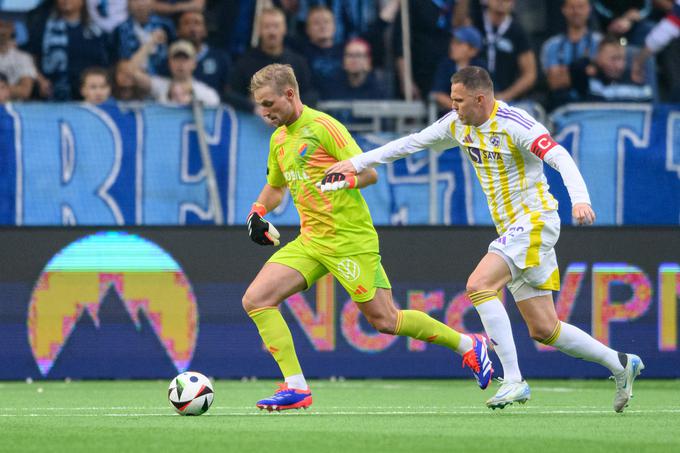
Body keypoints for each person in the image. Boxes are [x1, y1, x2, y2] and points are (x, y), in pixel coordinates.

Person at [323, 66, 644, 412]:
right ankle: (621, 363)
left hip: (536, 220)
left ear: (480, 98)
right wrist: (355, 163)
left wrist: (581, 199)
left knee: (479, 285)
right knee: (544, 328)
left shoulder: (515, 124)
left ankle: (514, 380)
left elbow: (559, 156)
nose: (453, 106)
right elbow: (412, 143)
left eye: (459, 100)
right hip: (513, 231)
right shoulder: (458, 124)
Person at [242, 63, 493, 412]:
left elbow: (369, 173)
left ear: (289, 94)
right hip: (311, 240)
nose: (264, 112)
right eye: (260, 105)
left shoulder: (324, 127)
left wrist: (346, 180)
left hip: (350, 239)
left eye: (269, 104)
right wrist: (257, 212)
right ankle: (296, 387)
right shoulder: (279, 140)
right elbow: (275, 187)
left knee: (385, 320)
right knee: (256, 299)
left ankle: (468, 344)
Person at [224, 7, 316, 113]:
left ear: (284, 29)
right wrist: (254, 107)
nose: (272, 32)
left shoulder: (298, 62)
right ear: (259, 30)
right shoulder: (245, 62)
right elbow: (230, 95)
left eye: (276, 26)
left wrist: (291, 106)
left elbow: (311, 94)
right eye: (267, 27)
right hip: (253, 126)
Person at [127, 34, 220, 105]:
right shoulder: (159, 85)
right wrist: (151, 42)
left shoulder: (207, 94)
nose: (180, 63)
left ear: (194, 64)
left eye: (185, 59)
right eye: (176, 59)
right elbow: (129, 72)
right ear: (169, 63)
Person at [541, 0, 602, 108]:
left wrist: (565, 72)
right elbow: (554, 82)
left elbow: (604, 77)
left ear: (589, 9)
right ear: (564, 10)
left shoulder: (600, 42)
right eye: (572, 7)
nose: (576, 11)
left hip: (595, 105)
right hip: (561, 106)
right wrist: (584, 71)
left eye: (581, 7)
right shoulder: (551, 45)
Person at [474, 0, 537, 101]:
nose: (502, 1)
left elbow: (530, 74)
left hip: (506, 99)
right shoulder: (473, 23)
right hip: (472, 96)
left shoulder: (518, 31)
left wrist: (504, 96)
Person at [570, 34, 654, 102]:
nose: (619, 66)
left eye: (622, 59)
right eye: (613, 59)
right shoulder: (589, 82)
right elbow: (575, 69)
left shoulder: (635, 81)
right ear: (598, 58)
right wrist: (589, 64)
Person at [431, 25, 484, 112]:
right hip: (451, 118)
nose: (452, 46)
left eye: (458, 43)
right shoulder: (446, 65)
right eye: (452, 42)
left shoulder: (480, 68)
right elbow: (438, 93)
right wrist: (463, 109)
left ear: (473, 50)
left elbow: (488, 94)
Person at [176, 10, 231, 95]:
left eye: (197, 23)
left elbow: (227, 92)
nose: (192, 28)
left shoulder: (220, 58)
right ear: (178, 31)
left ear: (205, 31)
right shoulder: (170, 58)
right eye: (186, 23)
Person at [0, 17, 37, 101]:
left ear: (12, 29)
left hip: (16, 108)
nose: (1, 30)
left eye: (5, 26)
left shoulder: (24, 58)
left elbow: (25, 91)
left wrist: (2, 89)